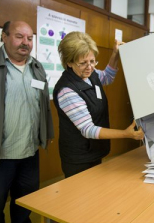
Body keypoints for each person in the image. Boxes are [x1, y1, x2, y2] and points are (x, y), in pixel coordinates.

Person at [0, 21, 54, 223]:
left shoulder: (36, 67)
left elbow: (43, 105)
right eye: (19, 37)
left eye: (30, 38)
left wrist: (47, 131)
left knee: (25, 202)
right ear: (4, 37)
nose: (25, 43)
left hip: (29, 152)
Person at [53, 31, 144, 178]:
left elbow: (107, 77)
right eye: (83, 63)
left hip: (95, 151)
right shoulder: (67, 91)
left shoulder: (90, 74)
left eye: (92, 61)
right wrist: (126, 134)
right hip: (79, 158)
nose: (89, 67)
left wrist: (115, 54)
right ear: (69, 62)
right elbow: (88, 129)